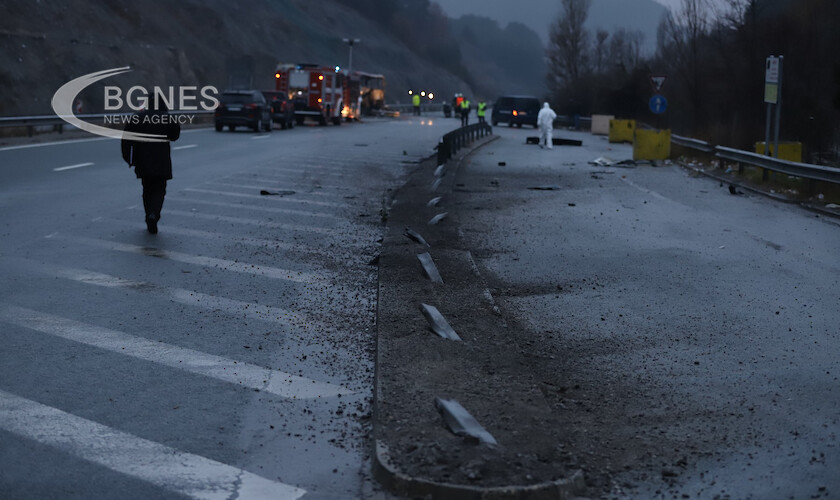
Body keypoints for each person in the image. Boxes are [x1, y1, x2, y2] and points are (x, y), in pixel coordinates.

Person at [121, 101, 180, 234]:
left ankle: (149, 215)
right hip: (161, 161)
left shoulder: (137, 118)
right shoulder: (167, 118)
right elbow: (175, 136)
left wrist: (129, 159)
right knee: (160, 190)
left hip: (143, 161)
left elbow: (126, 140)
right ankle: (154, 214)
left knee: (147, 189)